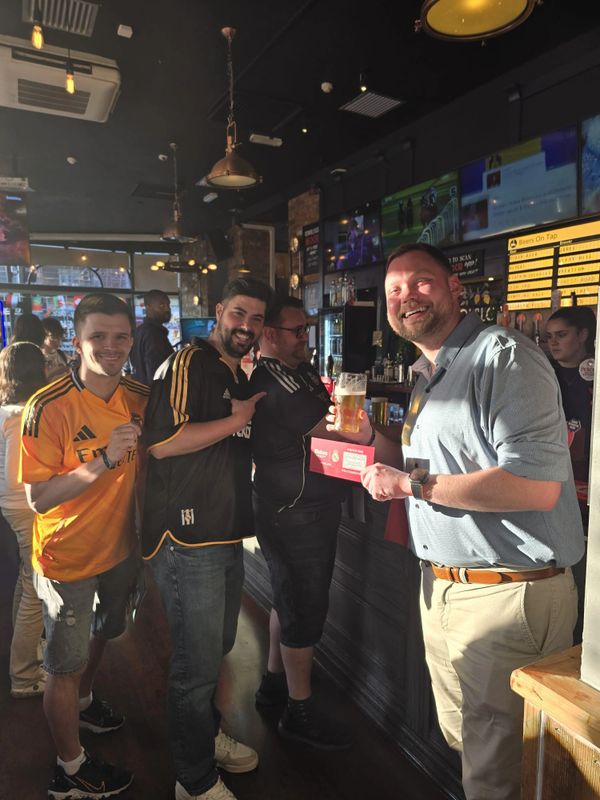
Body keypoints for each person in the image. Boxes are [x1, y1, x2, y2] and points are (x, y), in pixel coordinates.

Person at [346, 243, 584, 800]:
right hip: (446, 589)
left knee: (501, 768)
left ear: (455, 287)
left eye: (420, 282)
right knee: (469, 744)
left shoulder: (504, 357)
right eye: (394, 290)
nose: (406, 297)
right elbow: (432, 466)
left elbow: (534, 485)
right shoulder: (431, 370)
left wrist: (408, 486)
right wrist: (369, 438)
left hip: (509, 592)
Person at [141, 277, 272, 800]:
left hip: (223, 531)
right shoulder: (188, 361)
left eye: (257, 318)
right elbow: (160, 443)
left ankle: (205, 735)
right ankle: (193, 779)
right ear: (219, 311)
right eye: (239, 313)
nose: (247, 325)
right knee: (195, 665)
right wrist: (237, 419)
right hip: (186, 534)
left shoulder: (234, 372)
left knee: (216, 647)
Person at [21, 293, 149, 800]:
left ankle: (86, 700)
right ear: (76, 341)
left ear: (131, 340)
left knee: (107, 631)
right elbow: (38, 498)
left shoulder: (139, 394)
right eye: (98, 336)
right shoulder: (46, 406)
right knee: (63, 665)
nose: (110, 346)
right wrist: (104, 459)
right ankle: (70, 770)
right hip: (67, 555)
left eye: (120, 337)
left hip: (121, 548)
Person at [250, 296, 352, 750]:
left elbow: (334, 419)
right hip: (295, 512)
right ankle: (299, 711)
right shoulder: (273, 379)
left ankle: (275, 684)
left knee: (288, 599)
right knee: (304, 608)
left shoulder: (301, 372)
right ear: (270, 334)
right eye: (297, 330)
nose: (305, 337)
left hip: (303, 507)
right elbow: (333, 429)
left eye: (307, 329)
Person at [0, 342, 47, 698]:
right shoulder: (23, 414)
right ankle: (24, 674)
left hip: (12, 507)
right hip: (25, 507)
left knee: (26, 582)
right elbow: (20, 477)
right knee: (36, 589)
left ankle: (25, 654)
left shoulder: (7, 409)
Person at [545, 306, 596, 482]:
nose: (553, 343)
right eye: (549, 336)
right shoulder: (543, 373)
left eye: (561, 335)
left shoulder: (596, 375)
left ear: (582, 335)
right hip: (554, 467)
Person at [130, 289, 174, 385]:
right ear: (148, 307)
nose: (167, 309)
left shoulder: (140, 331)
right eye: (161, 305)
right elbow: (155, 375)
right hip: (154, 392)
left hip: (141, 390)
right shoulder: (154, 334)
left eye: (168, 305)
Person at [41, 317, 71, 381]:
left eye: (59, 337)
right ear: (43, 337)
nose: (57, 341)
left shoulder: (62, 355)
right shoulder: (38, 357)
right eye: (54, 337)